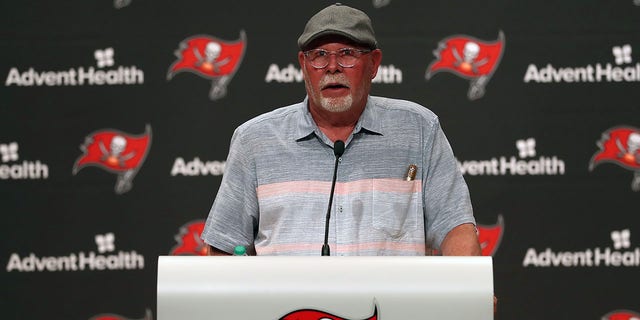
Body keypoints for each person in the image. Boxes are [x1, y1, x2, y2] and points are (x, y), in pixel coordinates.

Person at [201, 3, 481, 258]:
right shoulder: (255, 140)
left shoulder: (419, 130)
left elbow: (454, 227)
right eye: (319, 56)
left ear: (373, 64)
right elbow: (224, 246)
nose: (332, 67)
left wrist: (471, 294)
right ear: (303, 65)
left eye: (347, 54)